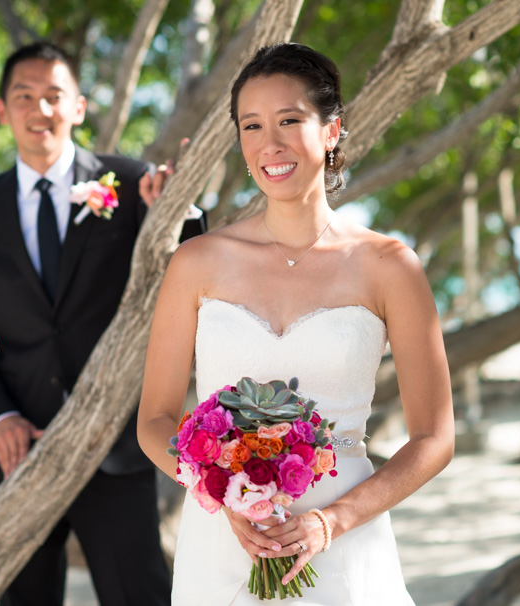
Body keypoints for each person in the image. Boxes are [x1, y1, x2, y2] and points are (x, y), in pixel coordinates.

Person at [137, 42, 454, 605]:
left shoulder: (389, 266)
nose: (270, 144)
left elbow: (434, 438)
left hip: (344, 543)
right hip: (221, 544)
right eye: (252, 126)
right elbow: (155, 421)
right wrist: (219, 494)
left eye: (290, 120)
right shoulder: (196, 262)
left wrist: (331, 521)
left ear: (331, 132)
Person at [0, 41, 204, 606]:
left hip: (113, 445)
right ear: (2, 110)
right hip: (18, 449)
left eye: (54, 96)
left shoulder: (132, 185)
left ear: (78, 107)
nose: (41, 110)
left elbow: (194, 276)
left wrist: (180, 215)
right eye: (24, 97)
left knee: (141, 595)